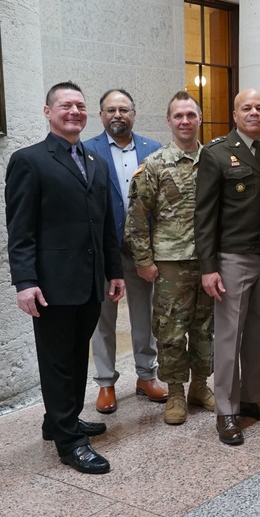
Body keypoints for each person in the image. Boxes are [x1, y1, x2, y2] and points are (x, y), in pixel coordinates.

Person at [5, 81, 123, 474]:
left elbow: (107, 225)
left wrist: (114, 271)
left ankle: (59, 419)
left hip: (90, 282)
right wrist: (25, 281)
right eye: (65, 106)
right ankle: (71, 442)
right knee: (57, 361)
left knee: (76, 355)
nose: (74, 111)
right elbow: (20, 229)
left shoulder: (96, 163)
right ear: (48, 112)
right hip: (51, 283)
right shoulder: (30, 161)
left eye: (80, 106)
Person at [195, 89, 260, 445]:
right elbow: (204, 216)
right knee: (228, 336)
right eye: (246, 108)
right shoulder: (217, 153)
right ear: (234, 115)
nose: (254, 112)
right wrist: (209, 267)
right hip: (231, 257)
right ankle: (226, 410)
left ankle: (252, 399)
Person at [126, 92, 215, 428]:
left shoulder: (213, 160)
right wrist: (143, 260)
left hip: (207, 262)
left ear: (200, 118)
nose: (185, 121)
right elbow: (137, 216)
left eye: (191, 114)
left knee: (206, 329)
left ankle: (200, 386)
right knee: (171, 331)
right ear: (168, 120)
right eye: (178, 115)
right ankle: (176, 391)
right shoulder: (155, 164)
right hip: (170, 264)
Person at [85, 89, 166, 414]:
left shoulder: (152, 150)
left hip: (141, 250)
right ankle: (106, 382)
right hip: (104, 251)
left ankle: (147, 376)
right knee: (102, 319)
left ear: (134, 113)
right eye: (110, 110)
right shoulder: (87, 151)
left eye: (124, 109)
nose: (117, 115)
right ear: (101, 115)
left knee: (144, 316)